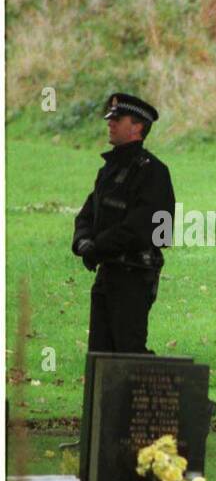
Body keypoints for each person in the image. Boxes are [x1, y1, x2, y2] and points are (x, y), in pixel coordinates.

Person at [72, 93, 174, 354]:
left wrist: (96, 247)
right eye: (111, 118)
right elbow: (87, 213)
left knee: (128, 351)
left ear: (137, 126)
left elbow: (142, 229)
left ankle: (170, 393)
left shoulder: (153, 172)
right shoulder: (109, 170)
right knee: (100, 353)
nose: (111, 123)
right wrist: (82, 241)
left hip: (134, 273)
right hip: (107, 273)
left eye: (118, 119)